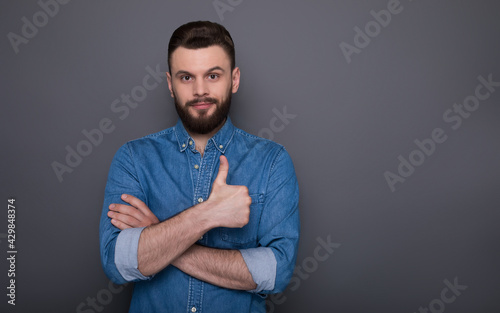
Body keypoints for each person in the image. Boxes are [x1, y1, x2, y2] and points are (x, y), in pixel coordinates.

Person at [99, 21, 300, 313]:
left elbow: (276, 273)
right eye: (186, 78)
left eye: (213, 75)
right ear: (170, 84)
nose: (200, 90)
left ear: (234, 79)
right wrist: (209, 215)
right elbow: (118, 264)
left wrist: (158, 235)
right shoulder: (133, 159)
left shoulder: (272, 162)